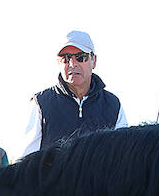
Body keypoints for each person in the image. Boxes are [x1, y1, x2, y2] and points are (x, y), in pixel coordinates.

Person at [18, 30, 128, 158]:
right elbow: (25, 161)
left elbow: (122, 156)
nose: (72, 64)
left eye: (81, 57)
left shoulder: (113, 104)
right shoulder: (40, 103)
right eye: (66, 58)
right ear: (58, 62)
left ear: (94, 60)